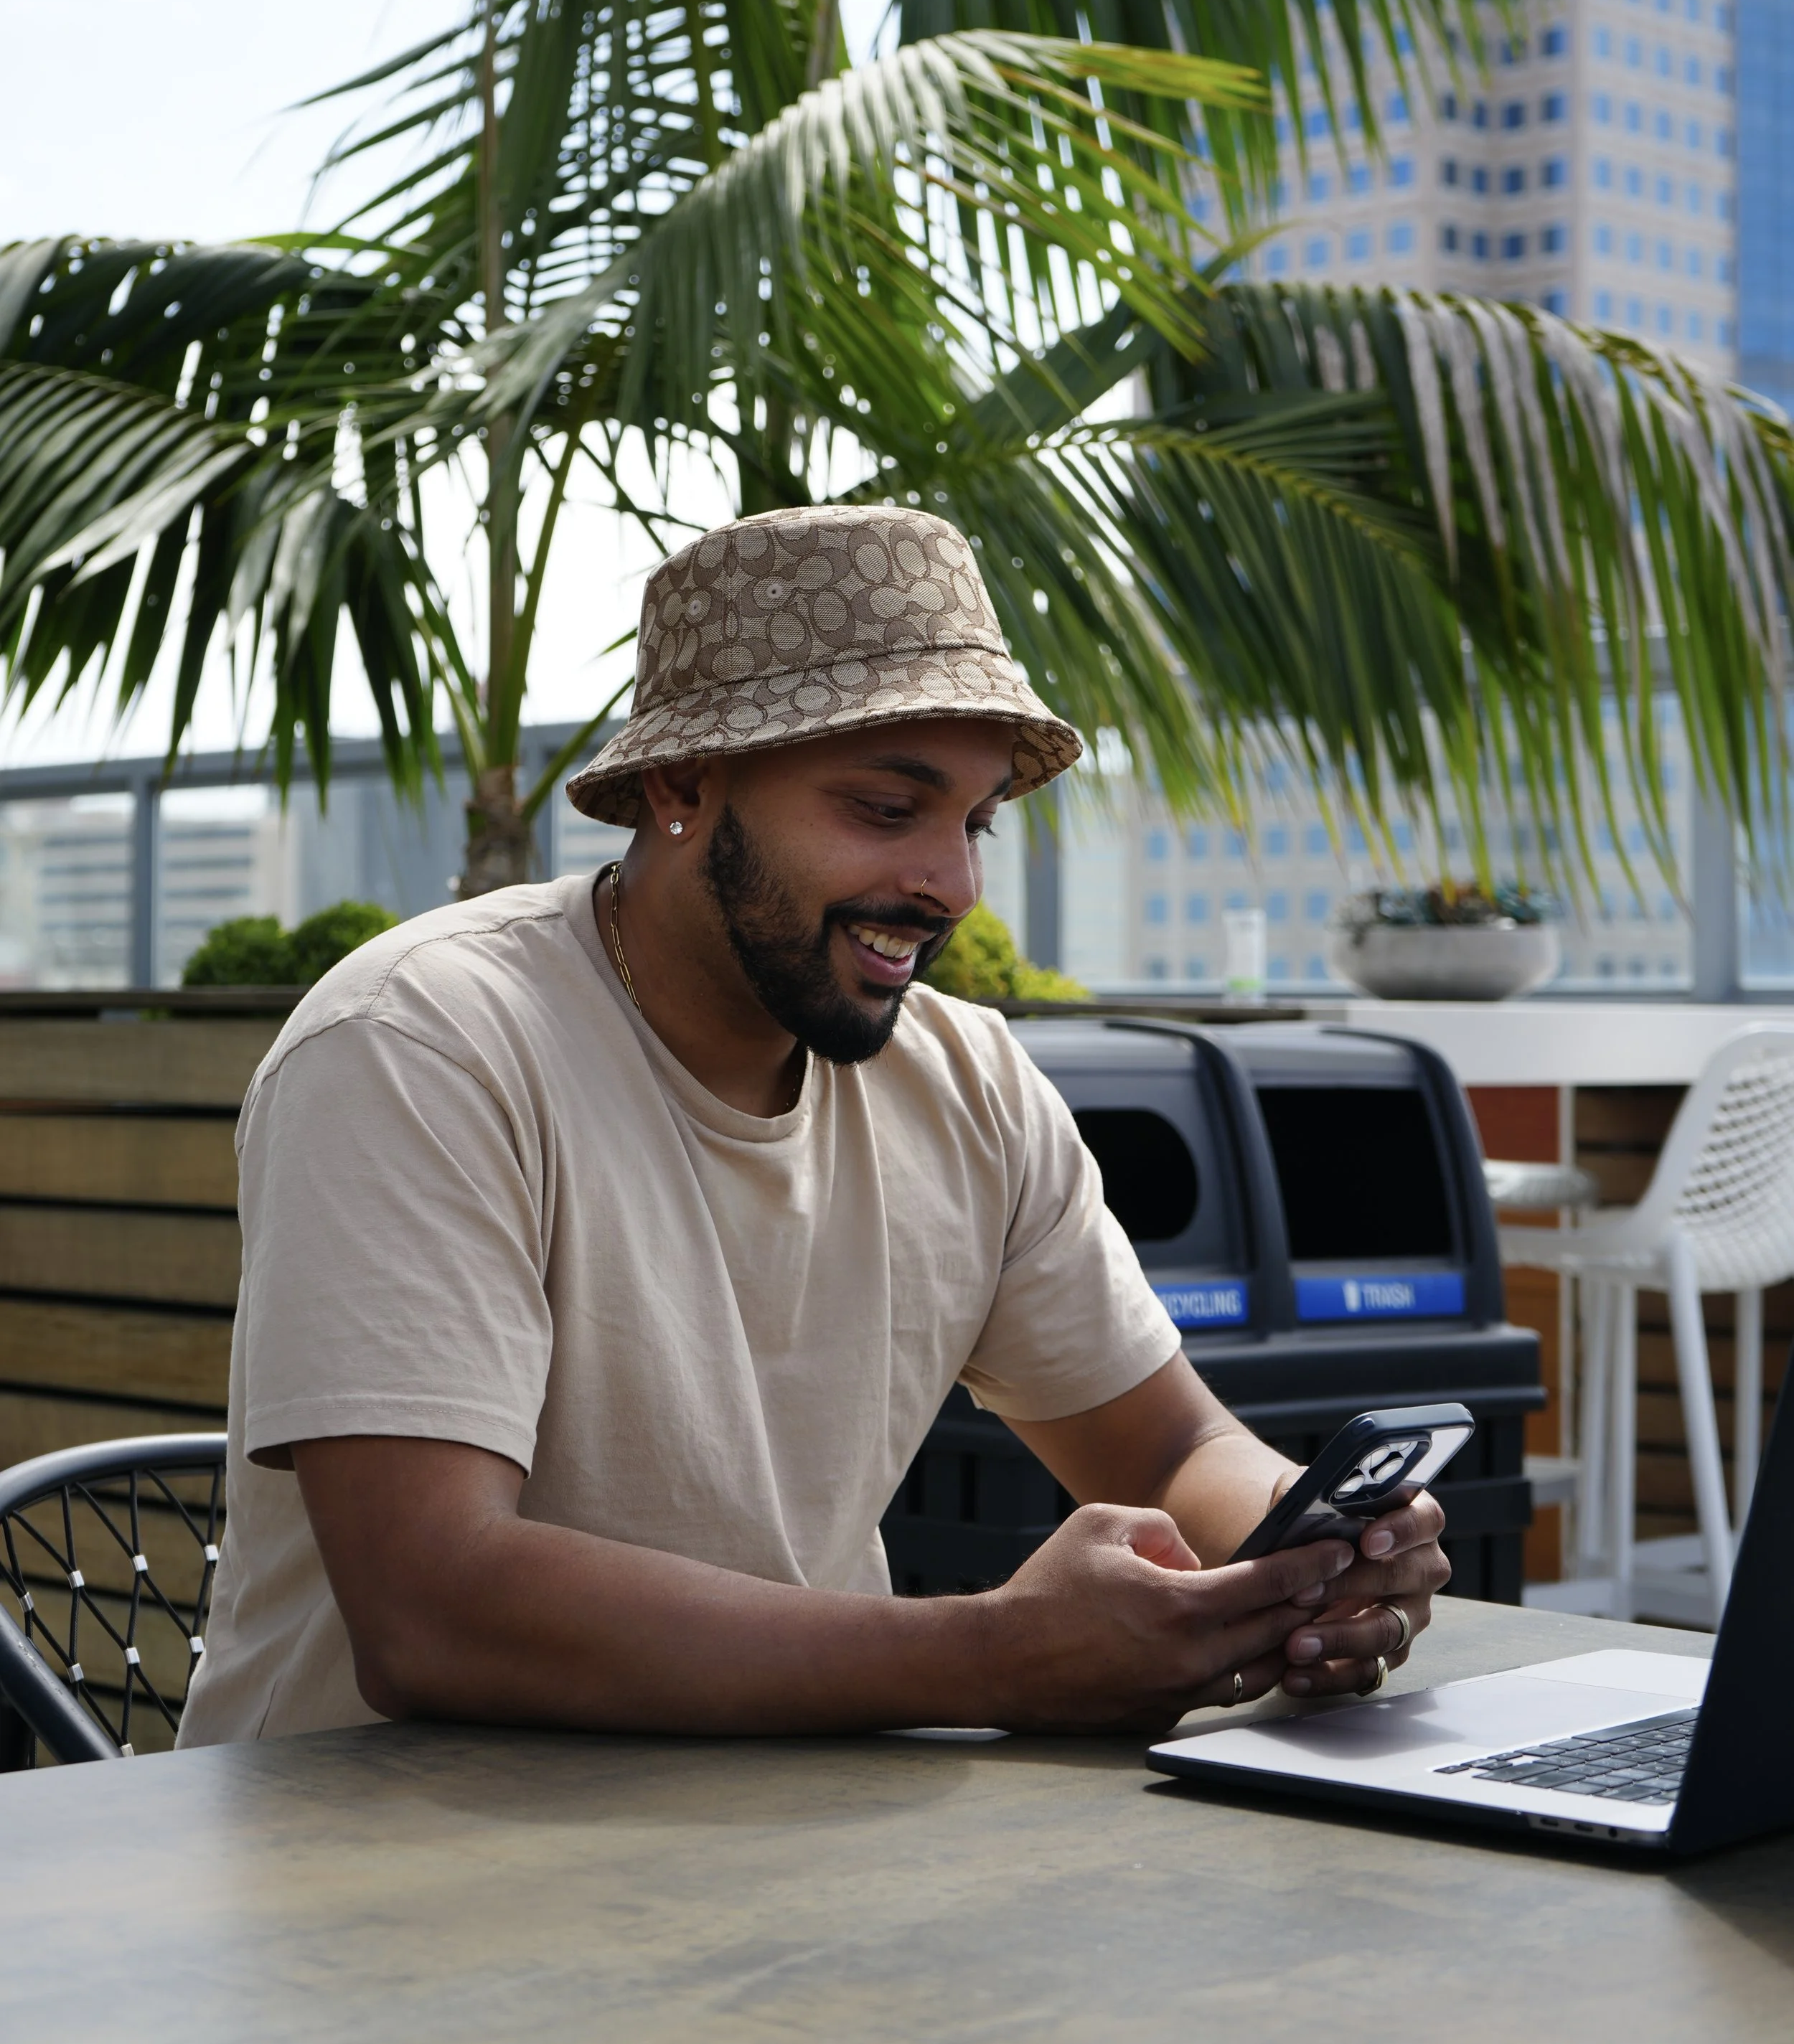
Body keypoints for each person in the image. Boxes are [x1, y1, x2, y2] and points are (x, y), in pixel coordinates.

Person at [179, 505, 1446, 1748]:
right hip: (376, 1888)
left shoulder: (970, 1088)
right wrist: (999, 1652)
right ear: (682, 782)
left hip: (789, 1852)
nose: (952, 883)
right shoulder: (421, 1042)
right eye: (888, 810)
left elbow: (1169, 1444)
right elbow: (435, 1609)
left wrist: (1303, 1546)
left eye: (977, 818)